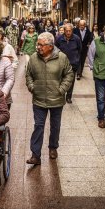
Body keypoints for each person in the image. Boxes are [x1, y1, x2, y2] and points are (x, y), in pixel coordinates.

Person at [26, 32, 74, 165]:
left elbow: (69, 74)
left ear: (50, 46)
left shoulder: (62, 58)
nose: (38, 47)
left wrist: (62, 89)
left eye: (41, 45)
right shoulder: (34, 58)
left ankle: (53, 147)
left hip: (56, 99)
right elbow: (28, 73)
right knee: (38, 126)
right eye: (38, 44)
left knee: (55, 126)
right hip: (39, 98)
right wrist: (31, 87)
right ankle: (35, 155)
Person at [54, 23, 82, 104]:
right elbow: (55, 49)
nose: (68, 32)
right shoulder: (59, 38)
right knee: (61, 80)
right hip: (61, 64)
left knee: (71, 81)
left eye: (70, 31)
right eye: (67, 31)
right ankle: (61, 94)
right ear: (64, 31)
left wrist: (76, 59)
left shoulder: (76, 38)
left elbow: (80, 50)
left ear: (72, 31)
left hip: (73, 64)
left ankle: (69, 97)